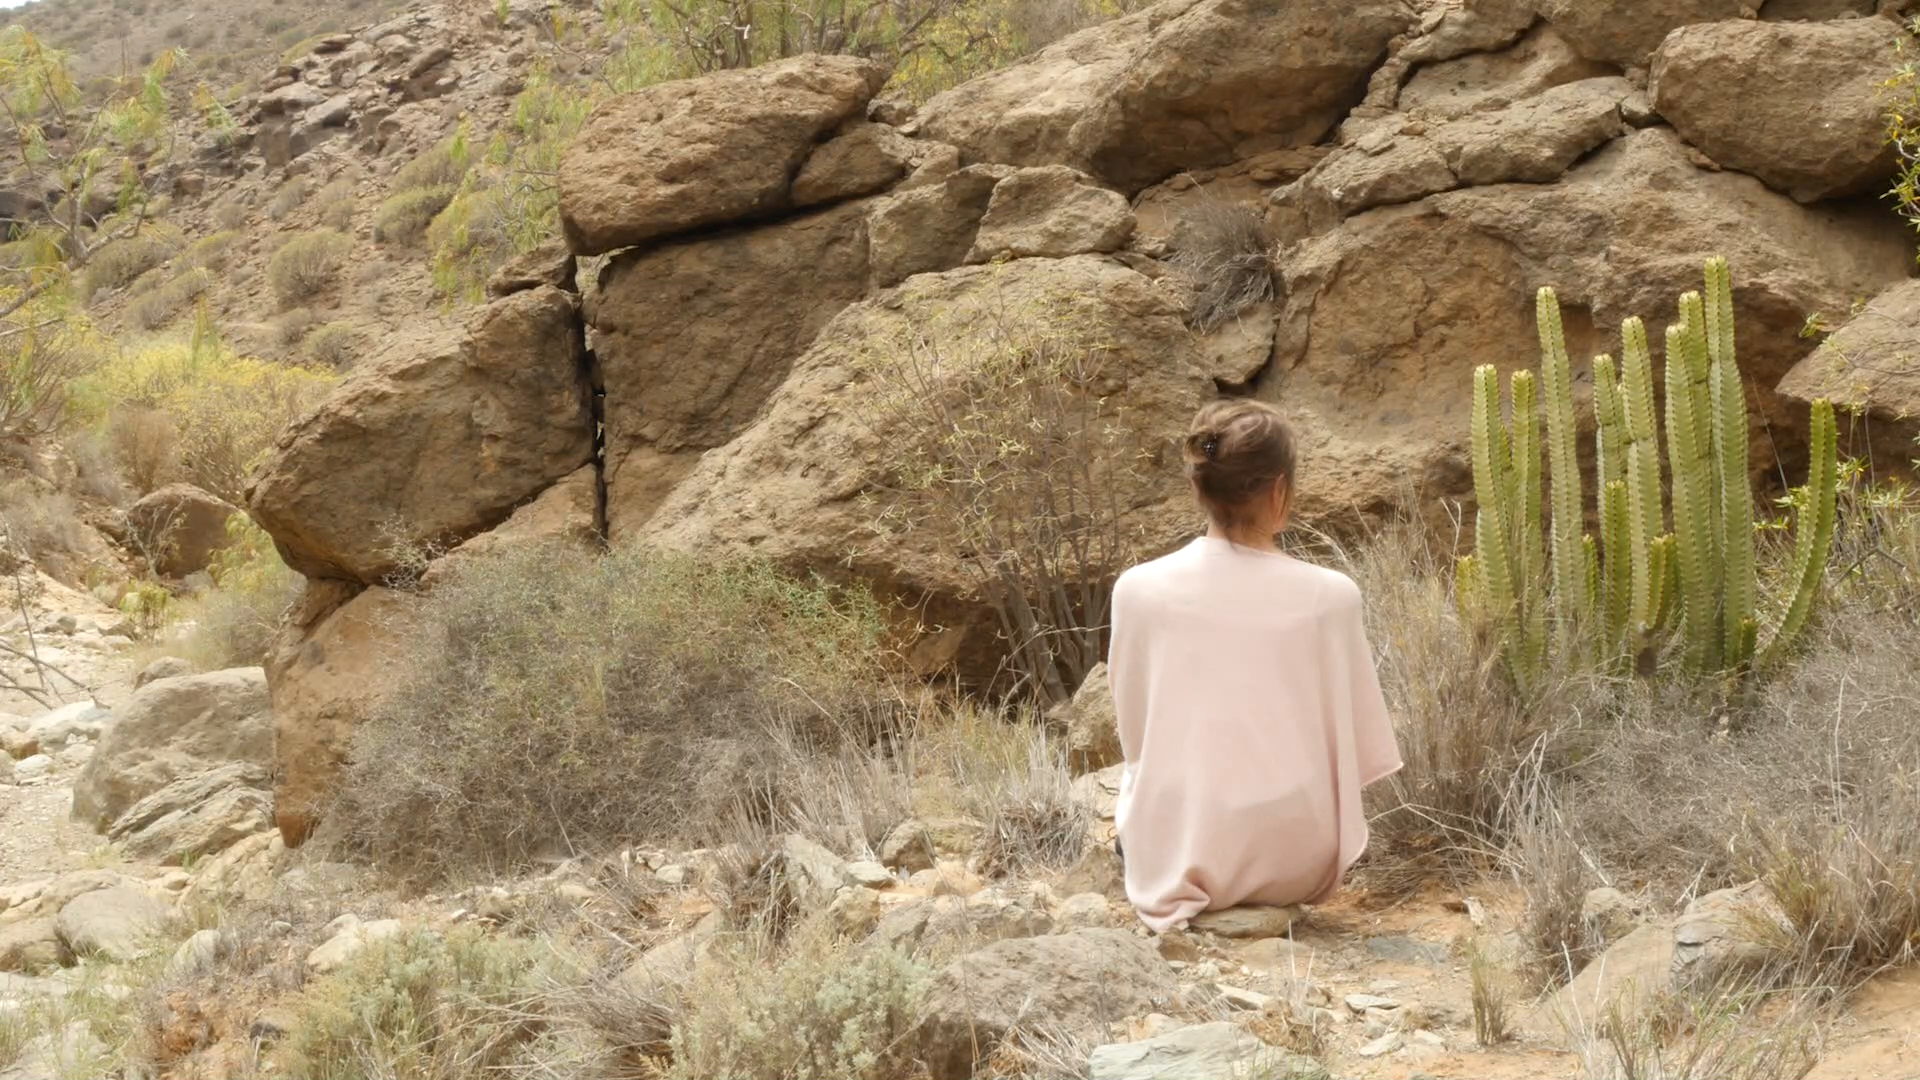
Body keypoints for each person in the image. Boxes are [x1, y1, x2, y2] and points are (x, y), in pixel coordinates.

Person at [1106, 399, 1403, 933]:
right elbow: (1356, 750)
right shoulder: (1333, 596)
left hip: (1183, 857)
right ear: (1280, 491)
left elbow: (1136, 740)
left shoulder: (1137, 589)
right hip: (1300, 860)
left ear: (1197, 486)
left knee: (1139, 793)